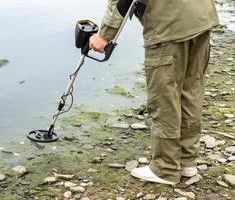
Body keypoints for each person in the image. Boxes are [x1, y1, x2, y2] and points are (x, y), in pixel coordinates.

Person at [89, 0, 220, 185]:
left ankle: (165, 168)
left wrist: (104, 34)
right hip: (201, 17)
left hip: (168, 25)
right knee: (191, 91)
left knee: (164, 98)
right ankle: (186, 161)